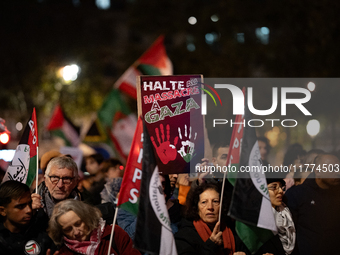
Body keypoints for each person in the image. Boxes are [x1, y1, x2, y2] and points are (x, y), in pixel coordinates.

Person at [285, 153, 340, 255]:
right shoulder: (297, 194)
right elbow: (287, 231)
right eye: (332, 168)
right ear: (318, 171)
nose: (337, 172)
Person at [48, 199, 140, 255]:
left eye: (78, 224)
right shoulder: (64, 252)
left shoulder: (114, 234)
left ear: (87, 217)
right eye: (68, 229)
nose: (76, 232)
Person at [175, 183, 245, 255]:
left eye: (215, 201)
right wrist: (211, 244)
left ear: (222, 205)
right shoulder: (185, 235)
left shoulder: (234, 231)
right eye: (204, 202)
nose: (210, 207)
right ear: (196, 207)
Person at [0, 180, 57, 254]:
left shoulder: (40, 236)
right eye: (21, 206)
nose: (29, 210)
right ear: (2, 211)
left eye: (29, 204)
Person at [255, 177, 296, 255]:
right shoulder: (255, 217)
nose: (280, 191)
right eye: (274, 187)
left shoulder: (288, 212)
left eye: (281, 187)